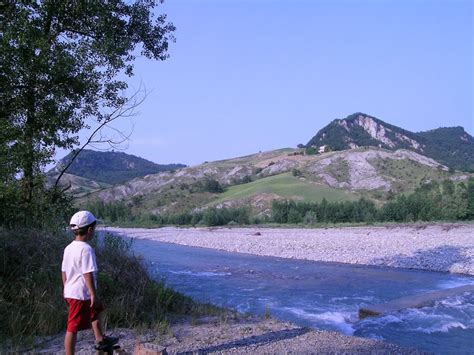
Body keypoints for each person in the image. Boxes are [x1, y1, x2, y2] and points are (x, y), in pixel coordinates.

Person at [61, 211, 117, 355]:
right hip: (81, 294)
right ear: (90, 230)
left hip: (72, 291)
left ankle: (100, 340)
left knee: (96, 311)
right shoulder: (86, 249)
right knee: (72, 327)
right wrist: (93, 294)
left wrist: (65, 288)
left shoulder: (69, 248)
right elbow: (87, 273)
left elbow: (64, 271)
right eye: (94, 229)